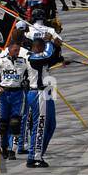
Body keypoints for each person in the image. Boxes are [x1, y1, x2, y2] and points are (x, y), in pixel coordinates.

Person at [21, 29, 62, 167]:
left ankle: (39, 153)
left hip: (46, 93)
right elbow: (47, 54)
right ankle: (34, 157)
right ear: (36, 48)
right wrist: (49, 41)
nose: (44, 50)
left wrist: (57, 46)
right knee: (40, 126)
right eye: (42, 48)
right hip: (37, 94)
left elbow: (52, 58)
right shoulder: (33, 58)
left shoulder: (41, 57)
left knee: (51, 124)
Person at [0, 36, 30, 160]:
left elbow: (29, 76)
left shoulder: (24, 62)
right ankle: (4, 147)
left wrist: (25, 82)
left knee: (15, 123)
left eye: (18, 50)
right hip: (4, 95)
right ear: (9, 50)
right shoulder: (0, 62)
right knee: (2, 125)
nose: (17, 53)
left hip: (18, 94)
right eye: (15, 50)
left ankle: (13, 150)